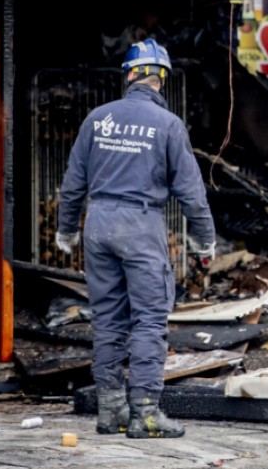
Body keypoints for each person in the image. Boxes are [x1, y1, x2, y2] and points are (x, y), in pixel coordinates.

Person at [55, 38, 216, 439]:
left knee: (108, 320)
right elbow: (192, 192)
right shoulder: (168, 126)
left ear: (128, 76)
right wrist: (205, 240)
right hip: (140, 226)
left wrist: (66, 229)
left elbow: (73, 183)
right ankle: (144, 413)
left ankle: (111, 411)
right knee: (148, 319)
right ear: (162, 78)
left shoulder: (97, 119)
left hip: (99, 224)